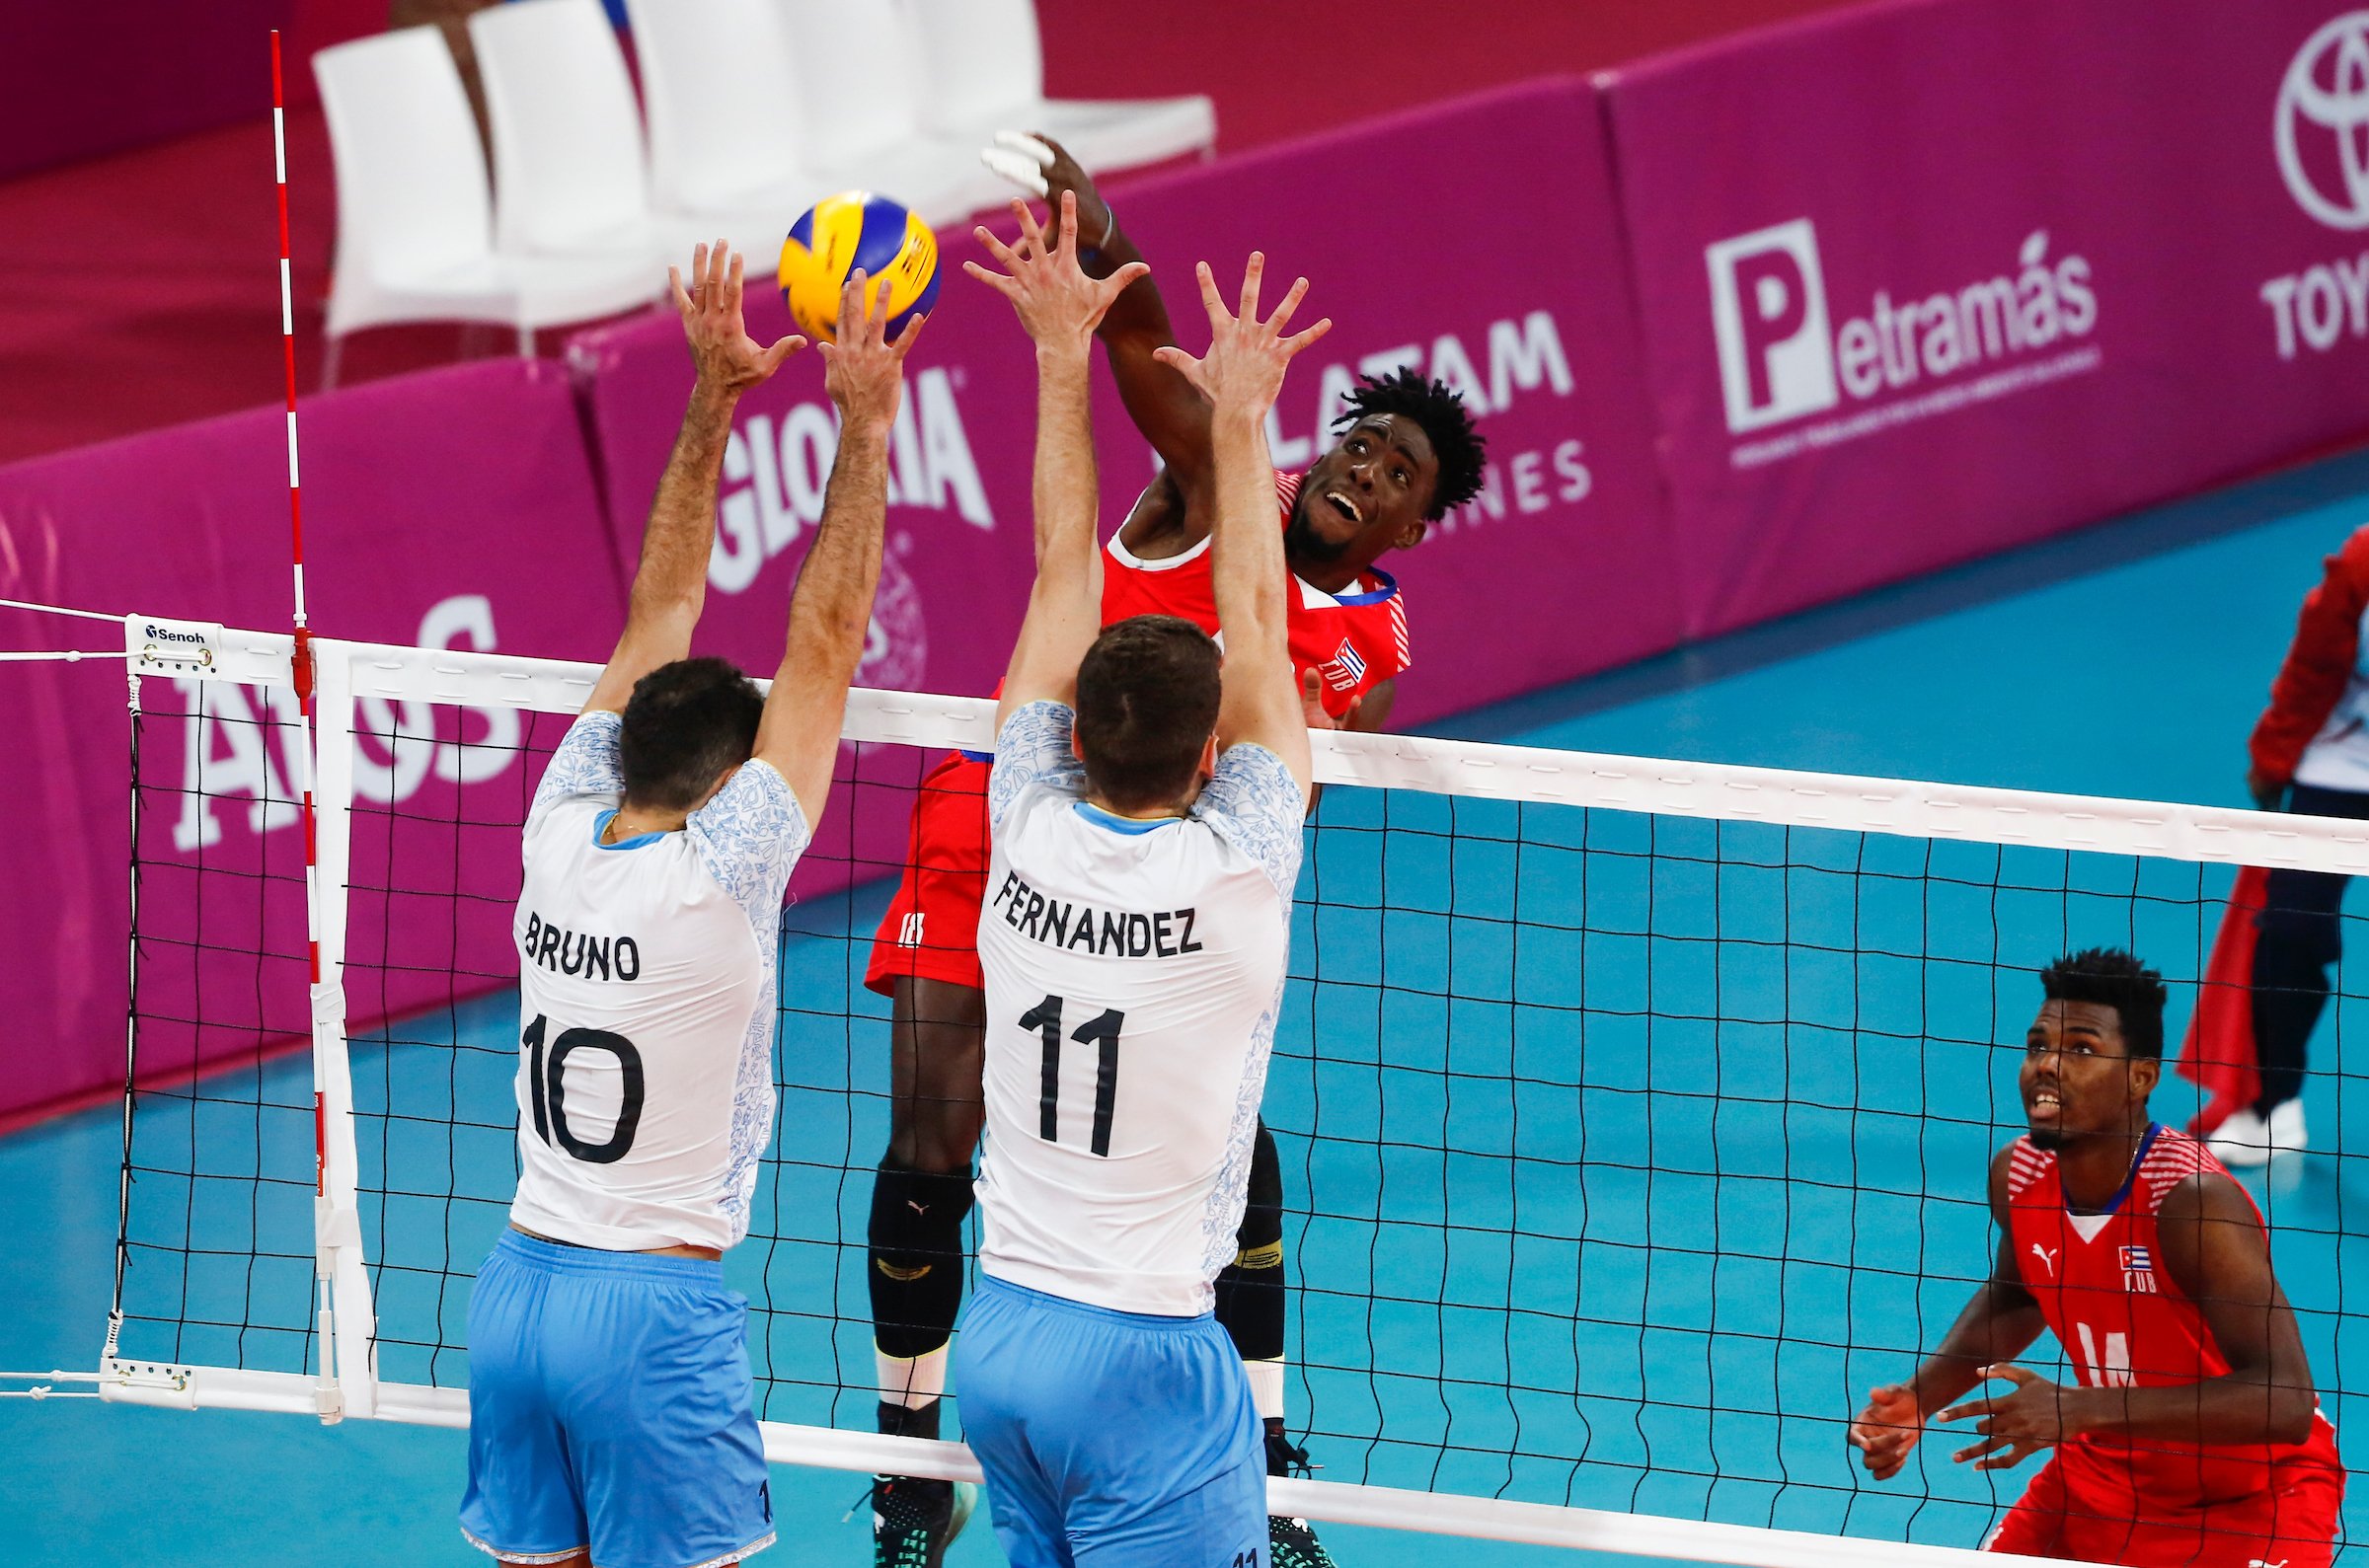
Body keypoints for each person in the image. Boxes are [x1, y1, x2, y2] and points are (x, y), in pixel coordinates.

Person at [860, 133, 1486, 1568]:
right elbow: (1138, 332)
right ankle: (907, 1461)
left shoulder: (1374, 645)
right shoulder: (1221, 468)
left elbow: (1286, 806)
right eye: (1361, 441)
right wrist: (1090, 212)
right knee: (928, 1149)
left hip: (1159, 871)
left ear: (1415, 522)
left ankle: (1265, 1452)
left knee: (1235, 1163)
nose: (1367, 467)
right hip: (1008, 807)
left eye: (1398, 471)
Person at [457, 242, 923, 1568]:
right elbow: (824, 641)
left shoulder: (558, 819)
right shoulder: (728, 863)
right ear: (729, 781)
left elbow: (660, 603)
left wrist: (712, 391)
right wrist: (865, 422)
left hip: (515, 1287)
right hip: (648, 1316)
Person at [948, 191, 1322, 1566]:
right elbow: (1264, 626)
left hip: (999, 1336)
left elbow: (1065, 570)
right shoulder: (1239, 870)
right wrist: (1241, 415)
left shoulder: (1023, 819)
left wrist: (1060, 356)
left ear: (1074, 735)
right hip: (1146, 1356)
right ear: (1208, 751)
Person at [1847, 948, 2343, 1566]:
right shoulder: (2019, 1175)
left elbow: (2284, 1401)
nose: (2047, 1065)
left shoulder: (2191, 1203)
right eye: (2037, 1046)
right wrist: (1920, 1398)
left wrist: (2077, 1409)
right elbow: (2018, 1295)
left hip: (2253, 1497)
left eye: (2081, 1049)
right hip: (2107, 1474)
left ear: (2141, 1078)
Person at [2204, 523, 2369, 1163]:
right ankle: (2273, 1104)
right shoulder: (2363, 559)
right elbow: (2312, 665)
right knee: (2289, 931)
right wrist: (2273, 757)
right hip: (2341, 769)